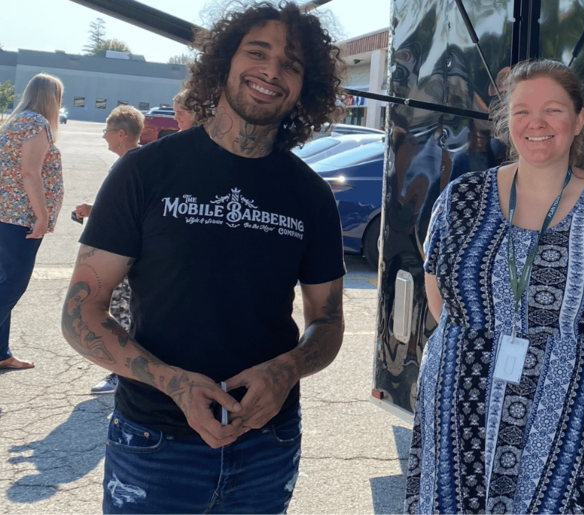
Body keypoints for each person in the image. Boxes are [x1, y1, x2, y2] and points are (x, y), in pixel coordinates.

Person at [60, 3, 346, 513]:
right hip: (156, 442)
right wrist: (173, 382)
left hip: (268, 444)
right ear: (223, 63)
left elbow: (327, 322)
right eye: (257, 52)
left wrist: (288, 369)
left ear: (307, 87)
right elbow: (82, 311)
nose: (272, 71)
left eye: (292, 65)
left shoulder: (311, 195)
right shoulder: (144, 172)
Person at [405, 59, 584, 514]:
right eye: (522, 111)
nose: (536, 123)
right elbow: (439, 301)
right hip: (462, 412)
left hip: (573, 424)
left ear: (579, 120)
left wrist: (564, 364)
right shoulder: (461, 199)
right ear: (507, 121)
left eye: (554, 110)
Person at [72, 105, 145, 394]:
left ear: (121, 134)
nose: (103, 137)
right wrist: (94, 208)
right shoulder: (136, 161)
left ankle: (123, 374)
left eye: (106, 131)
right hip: (127, 251)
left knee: (119, 312)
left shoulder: (133, 163)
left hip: (125, 254)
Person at [0, 73, 64, 371]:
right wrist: (42, 216)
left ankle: (1, 352)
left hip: (6, 215)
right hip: (20, 218)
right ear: (52, 99)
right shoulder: (36, 125)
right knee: (13, 285)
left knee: (4, 283)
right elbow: (30, 172)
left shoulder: (13, 122)